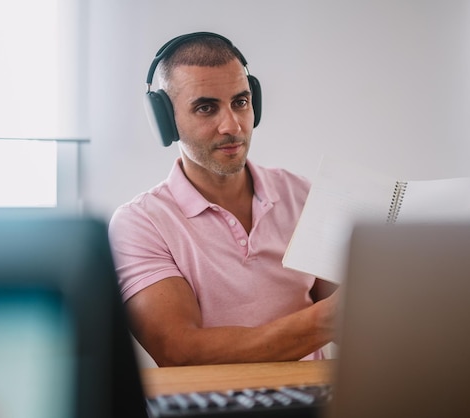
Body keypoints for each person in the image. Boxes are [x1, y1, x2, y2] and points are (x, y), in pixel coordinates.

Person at [108, 32, 338, 367]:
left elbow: (354, 317)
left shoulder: (302, 194)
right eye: (205, 108)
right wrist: (331, 319)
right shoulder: (140, 223)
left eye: (240, 102)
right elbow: (180, 349)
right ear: (166, 120)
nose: (231, 125)